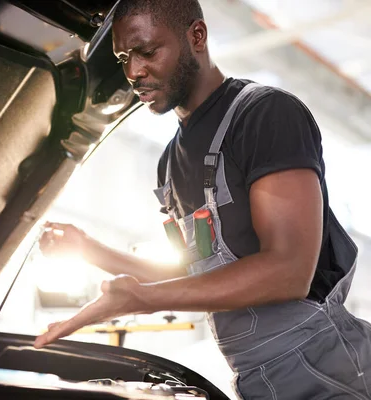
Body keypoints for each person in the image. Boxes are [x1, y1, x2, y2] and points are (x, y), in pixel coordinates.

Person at [33, 0, 371, 398]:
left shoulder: (264, 114)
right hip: (255, 380)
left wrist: (144, 300)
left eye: (146, 51)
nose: (133, 72)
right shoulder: (169, 165)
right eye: (124, 57)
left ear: (197, 36)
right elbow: (194, 278)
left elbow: (289, 270)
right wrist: (89, 251)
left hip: (326, 368)